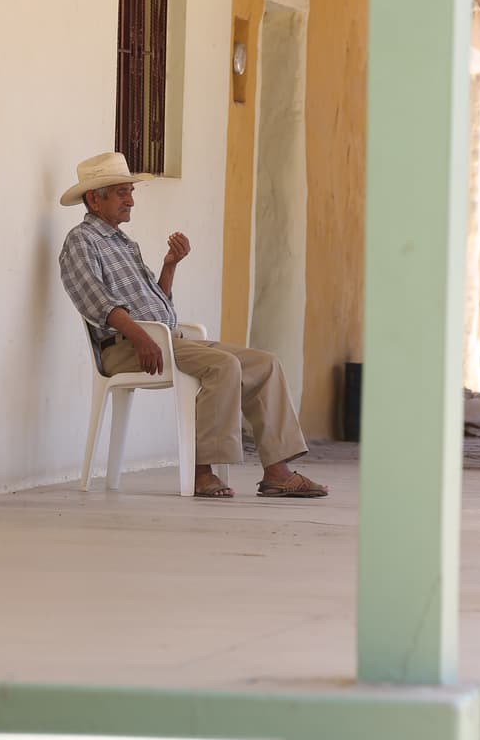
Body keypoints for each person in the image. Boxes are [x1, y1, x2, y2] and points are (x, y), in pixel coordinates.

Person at [57, 151, 327, 500]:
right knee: (223, 366)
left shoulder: (125, 243)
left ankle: (277, 472)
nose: (131, 201)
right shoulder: (81, 241)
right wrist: (141, 338)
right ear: (95, 198)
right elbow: (96, 302)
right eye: (122, 192)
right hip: (126, 347)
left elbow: (159, 304)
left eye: (130, 192)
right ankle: (202, 472)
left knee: (265, 363)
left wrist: (170, 266)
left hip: (165, 339)